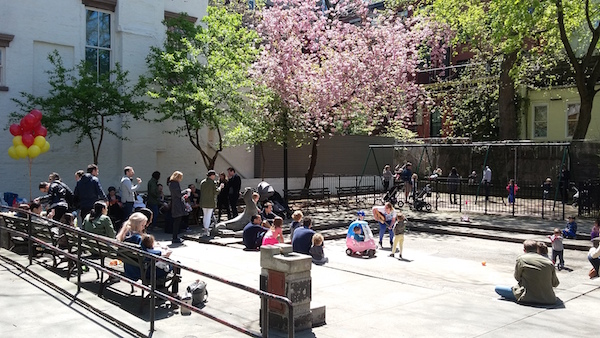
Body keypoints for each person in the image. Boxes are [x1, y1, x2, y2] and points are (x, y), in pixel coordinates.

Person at [494, 239, 559, 305]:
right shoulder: (549, 262)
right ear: (537, 249)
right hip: (549, 299)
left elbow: (517, 277)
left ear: (524, 250)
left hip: (526, 296)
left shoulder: (521, 259)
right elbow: (555, 283)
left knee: (498, 288)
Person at [200, 170, 223, 236]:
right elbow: (216, 192)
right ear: (212, 175)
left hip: (203, 201)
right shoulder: (213, 183)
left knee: (205, 216)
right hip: (210, 202)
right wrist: (220, 187)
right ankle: (206, 230)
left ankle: (205, 229)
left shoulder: (202, 182)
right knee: (208, 216)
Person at [168, 171, 189, 244]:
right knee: (177, 221)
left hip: (175, 203)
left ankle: (175, 237)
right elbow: (179, 194)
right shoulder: (175, 184)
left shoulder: (171, 183)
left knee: (177, 221)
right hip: (177, 204)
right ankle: (175, 237)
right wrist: (186, 191)